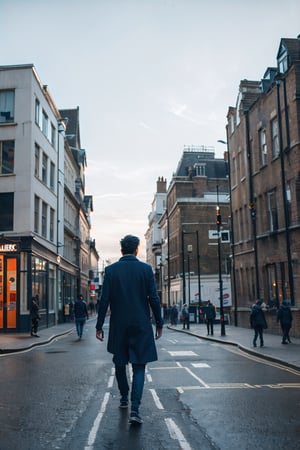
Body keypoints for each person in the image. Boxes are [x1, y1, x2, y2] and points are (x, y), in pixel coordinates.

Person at [95, 235, 163, 425]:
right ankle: (135, 409)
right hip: (141, 325)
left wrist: (99, 325)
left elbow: (104, 301)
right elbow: (154, 299)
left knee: (119, 362)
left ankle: (124, 397)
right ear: (137, 250)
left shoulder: (111, 270)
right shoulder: (146, 269)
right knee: (139, 366)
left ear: (121, 251)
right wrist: (159, 322)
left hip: (119, 325)